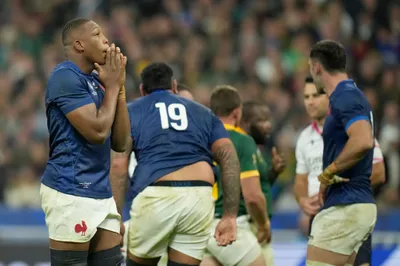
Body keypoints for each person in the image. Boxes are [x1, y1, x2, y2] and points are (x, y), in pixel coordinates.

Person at [110, 63, 240, 266]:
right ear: (175, 85)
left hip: (156, 195)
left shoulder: (131, 111)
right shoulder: (204, 113)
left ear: (143, 90)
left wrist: (115, 218)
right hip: (199, 197)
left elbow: (118, 165)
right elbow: (229, 157)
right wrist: (230, 216)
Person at [41, 18, 130, 265]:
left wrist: (119, 89)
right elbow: (98, 132)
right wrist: (112, 88)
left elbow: (120, 143)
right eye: (97, 34)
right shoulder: (64, 77)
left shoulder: (98, 83)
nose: (106, 41)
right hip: (70, 189)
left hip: (102, 194)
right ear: (80, 44)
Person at [294, 76, 385, 266]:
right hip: (320, 216)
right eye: (306, 96)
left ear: (329, 97)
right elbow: (301, 180)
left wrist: (347, 188)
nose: (310, 101)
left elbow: (379, 172)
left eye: (316, 95)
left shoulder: (352, 130)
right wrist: (303, 201)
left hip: (347, 207)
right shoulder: (304, 138)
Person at [306, 40, 377, 266]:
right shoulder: (350, 95)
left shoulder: (345, 96)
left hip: (347, 204)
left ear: (317, 67)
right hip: (353, 205)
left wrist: (328, 172)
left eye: (310, 68)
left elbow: (363, 140)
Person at [202, 85, 268, 266]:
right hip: (230, 224)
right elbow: (252, 195)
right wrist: (263, 225)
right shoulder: (241, 140)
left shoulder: (200, 137)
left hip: (200, 224)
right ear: (237, 113)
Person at [240, 101, 286, 266]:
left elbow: (257, 186)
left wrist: (272, 173)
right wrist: (262, 224)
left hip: (256, 226)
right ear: (245, 122)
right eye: (261, 120)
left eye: (268, 120)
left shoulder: (257, 150)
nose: (268, 125)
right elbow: (248, 193)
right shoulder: (241, 147)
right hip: (248, 226)